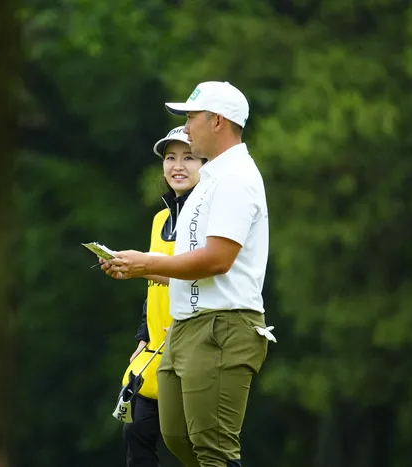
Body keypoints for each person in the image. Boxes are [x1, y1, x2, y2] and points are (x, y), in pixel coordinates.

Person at [102, 81, 275, 467]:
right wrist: (135, 269)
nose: (186, 126)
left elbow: (217, 261)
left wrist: (146, 264)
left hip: (223, 325)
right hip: (187, 325)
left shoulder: (236, 178)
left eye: (191, 117)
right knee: (178, 436)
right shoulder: (210, 181)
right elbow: (193, 267)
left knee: (213, 448)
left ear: (217, 122)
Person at [119, 126, 206, 467]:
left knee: (197, 445)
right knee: (136, 433)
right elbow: (154, 284)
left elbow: (204, 276)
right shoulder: (160, 220)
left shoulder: (208, 219)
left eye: (189, 158)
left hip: (194, 347)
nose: (177, 166)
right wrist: (143, 334)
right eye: (170, 158)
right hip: (154, 351)